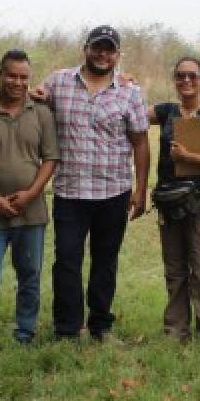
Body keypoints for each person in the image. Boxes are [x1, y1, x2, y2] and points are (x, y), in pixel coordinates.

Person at [39, 25, 150, 342]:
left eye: (110, 49)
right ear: (85, 48)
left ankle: (101, 326)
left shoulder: (130, 92)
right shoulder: (58, 82)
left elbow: (141, 142)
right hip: (70, 191)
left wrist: (140, 189)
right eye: (97, 47)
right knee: (67, 261)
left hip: (113, 191)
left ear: (118, 55)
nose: (103, 54)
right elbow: (30, 101)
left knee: (105, 261)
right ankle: (67, 329)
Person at [0, 49, 59, 356]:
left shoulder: (41, 112)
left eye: (23, 77)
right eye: (11, 76)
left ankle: (25, 333)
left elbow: (51, 158)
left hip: (32, 213)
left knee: (29, 276)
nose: (17, 82)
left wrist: (31, 193)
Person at [148, 56, 200, 341]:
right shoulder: (165, 111)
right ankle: (176, 329)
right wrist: (126, 87)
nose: (186, 81)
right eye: (180, 76)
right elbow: (130, 114)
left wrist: (188, 157)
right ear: (174, 79)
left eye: (192, 76)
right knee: (174, 268)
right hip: (170, 201)